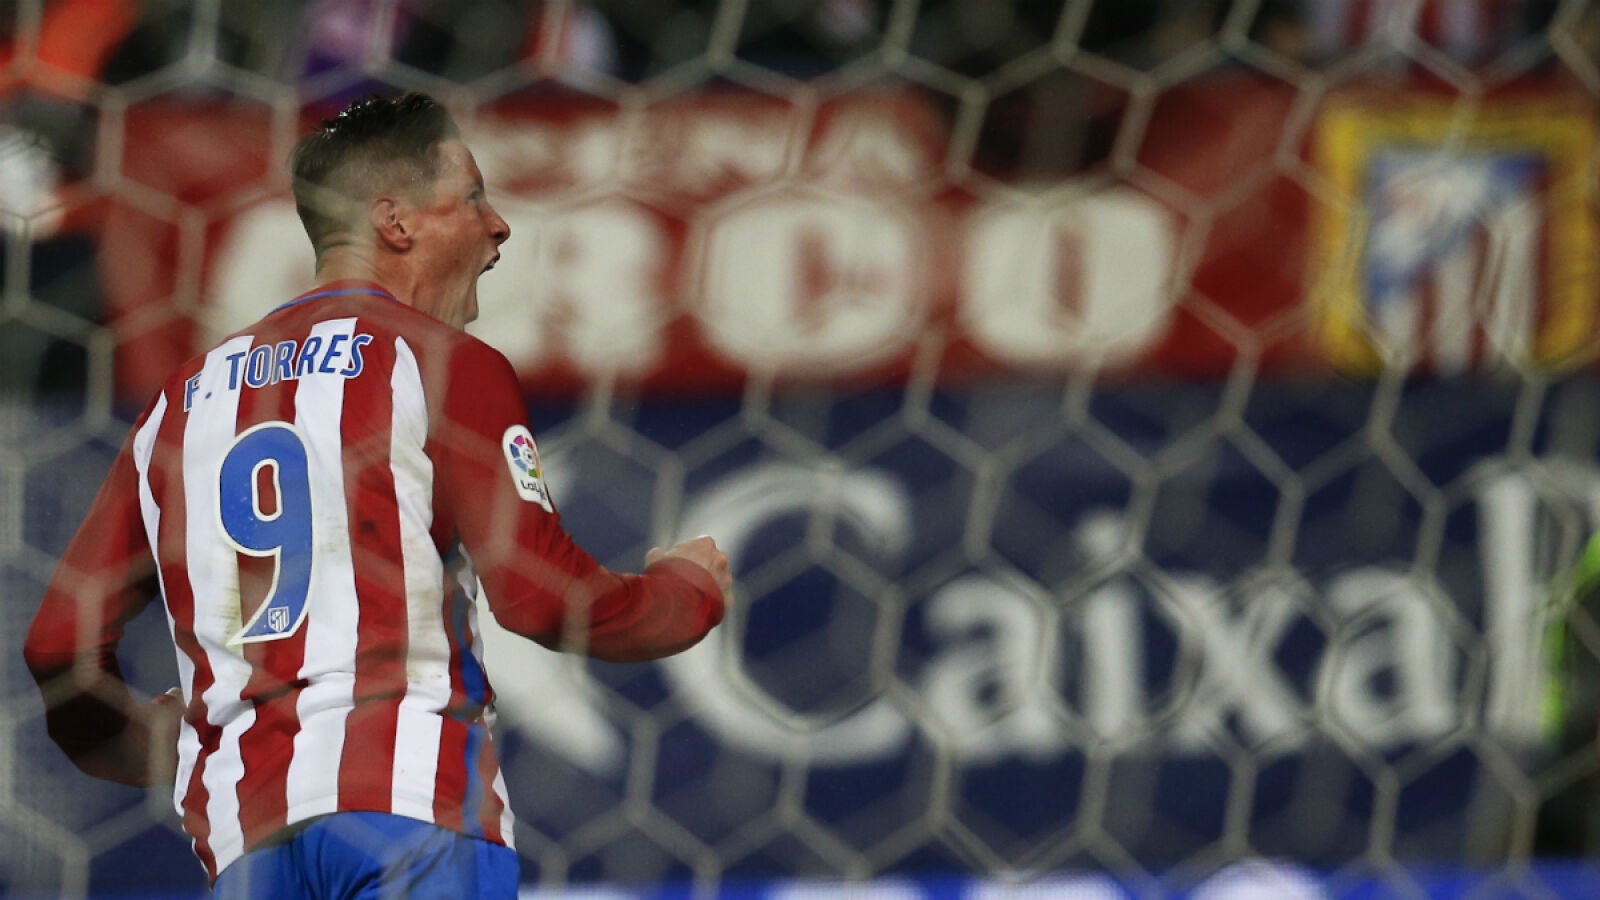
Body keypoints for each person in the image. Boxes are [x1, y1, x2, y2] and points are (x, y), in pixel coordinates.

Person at [23, 91, 731, 897]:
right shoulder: (439, 362)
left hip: (247, 842)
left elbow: (55, 645)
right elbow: (543, 599)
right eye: (472, 198)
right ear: (395, 223)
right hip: (409, 810)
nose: (498, 225)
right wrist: (688, 593)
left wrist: (136, 747)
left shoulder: (177, 405)